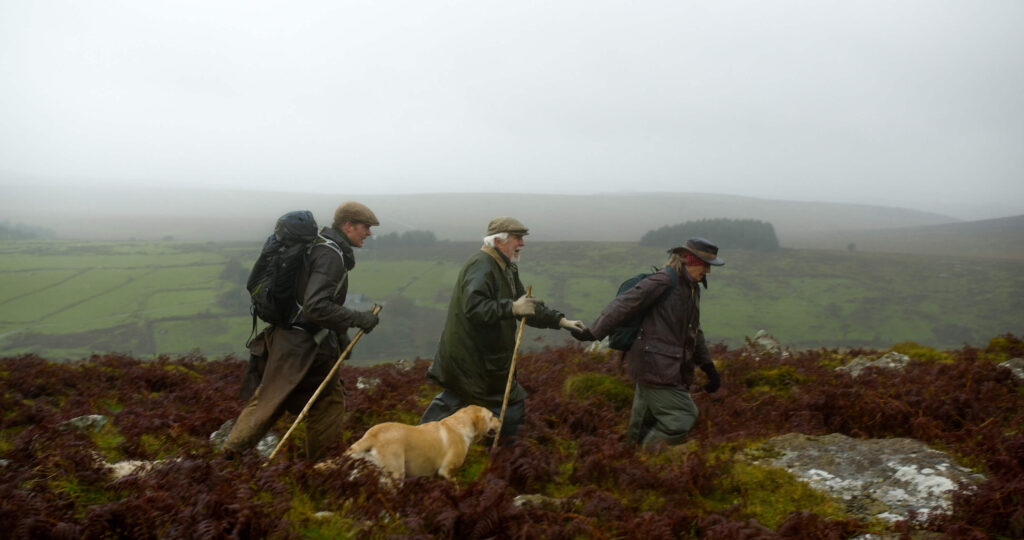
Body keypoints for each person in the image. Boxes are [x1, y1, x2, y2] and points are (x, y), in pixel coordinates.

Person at [224, 201, 382, 460]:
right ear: (348, 225)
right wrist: (357, 318)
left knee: (322, 401)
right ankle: (230, 458)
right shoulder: (331, 255)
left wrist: (339, 334)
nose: (368, 233)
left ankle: (320, 468)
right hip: (299, 345)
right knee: (271, 401)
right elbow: (315, 306)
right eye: (365, 227)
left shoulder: (320, 246)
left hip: (292, 339)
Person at [419, 216, 587, 441]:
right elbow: (474, 307)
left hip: (480, 361)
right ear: (499, 241)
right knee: (505, 408)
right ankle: (502, 456)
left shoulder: (506, 268)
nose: (523, 244)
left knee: (458, 401)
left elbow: (524, 306)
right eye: (517, 238)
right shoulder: (481, 265)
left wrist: (562, 321)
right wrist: (511, 308)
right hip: (472, 360)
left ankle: (422, 442)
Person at [572, 237, 724, 450]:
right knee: (683, 415)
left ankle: (630, 462)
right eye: (705, 265)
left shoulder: (691, 289)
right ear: (688, 259)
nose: (708, 271)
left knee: (643, 423)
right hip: (656, 367)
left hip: (664, 367)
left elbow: (694, 331)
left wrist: (708, 368)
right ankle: (648, 460)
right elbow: (625, 304)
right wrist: (593, 332)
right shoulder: (663, 281)